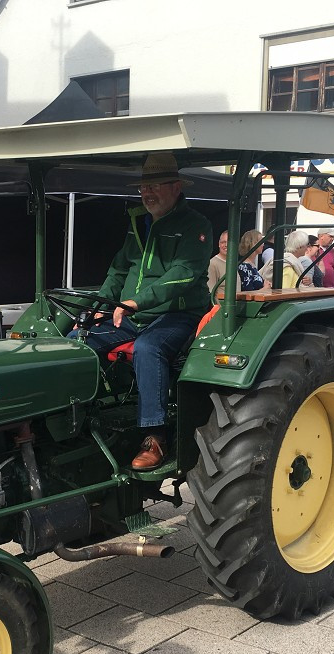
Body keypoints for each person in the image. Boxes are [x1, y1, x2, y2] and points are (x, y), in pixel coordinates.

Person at [80, 151, 212, 471]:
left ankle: (155, 436)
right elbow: (118, 270)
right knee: (78, 342)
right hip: (131, 314)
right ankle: (79, 423)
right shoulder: (139, 224)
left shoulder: (196, 225)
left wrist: (136, 302)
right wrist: (101, 306)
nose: (147, 193)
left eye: (155, 186)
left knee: (148, 347)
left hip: (178, 314)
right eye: (143, 187)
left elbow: (183, 274)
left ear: (176, 187)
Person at [206, 230, 229, 297]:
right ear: (219, 244)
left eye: (229, 242)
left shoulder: (234, 264)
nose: (226, 245)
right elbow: (211, 292)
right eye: (223, 242)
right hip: (222, 306)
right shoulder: (212, 264)